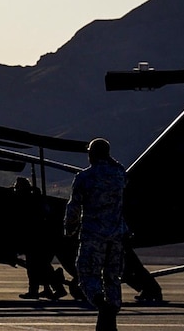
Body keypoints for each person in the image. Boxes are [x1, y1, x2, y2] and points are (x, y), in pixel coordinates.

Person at [64, 139, 125, 331]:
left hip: (93, 235)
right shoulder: (119, 175)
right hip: (116, 235)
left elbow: (74, 207)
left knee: (87, 275)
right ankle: (108, 322)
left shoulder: (85, 177)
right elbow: (120, 169)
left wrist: (69, 230)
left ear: (92, 154)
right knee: (112, 278)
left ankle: (102, 306)